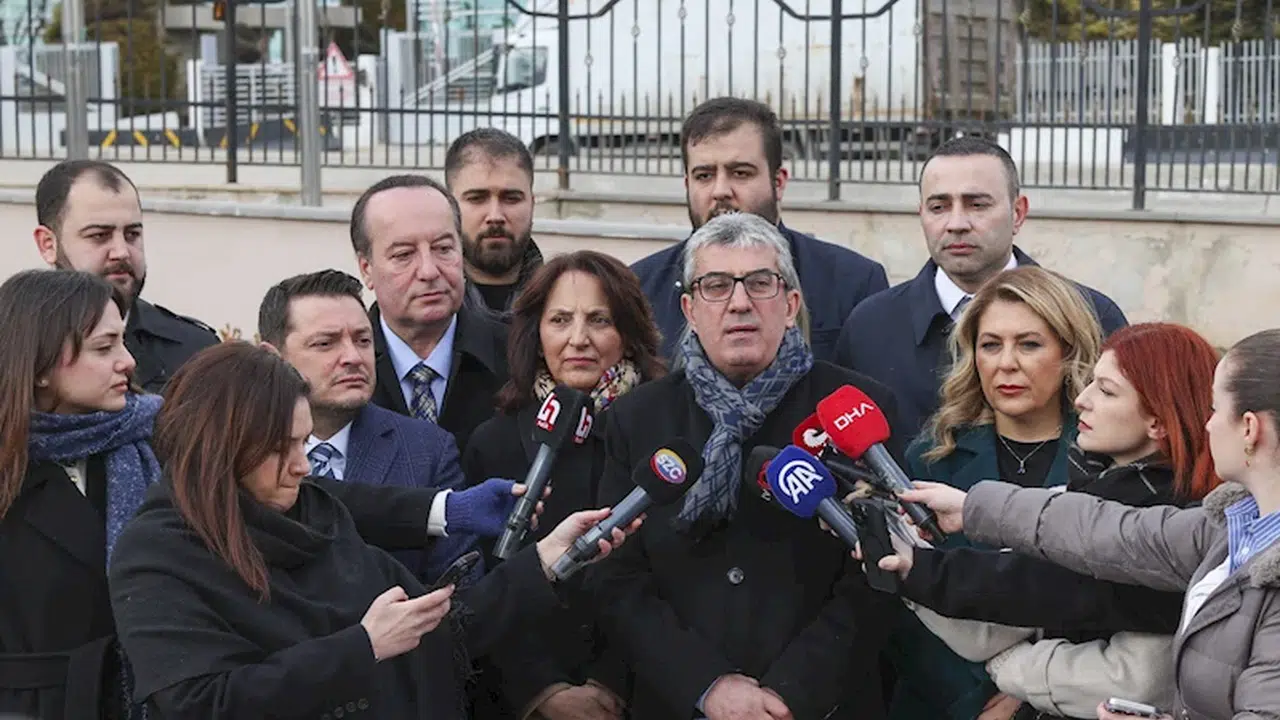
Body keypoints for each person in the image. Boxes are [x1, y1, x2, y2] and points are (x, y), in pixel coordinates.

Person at [107, 341, 640, 719]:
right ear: (220, 449)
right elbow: (200, 703)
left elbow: (438, 627)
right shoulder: (157, 554)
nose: (302, 465)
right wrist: (361, 647)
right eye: (279, 448)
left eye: (302, 442)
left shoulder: (314, 512)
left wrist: (547, 560)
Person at [588, 212, 902, 720]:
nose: (739, 303)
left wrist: (791, 693)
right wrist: (705, 685)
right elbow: (615, 578)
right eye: (715, 286)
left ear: (791, 304)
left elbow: (883, 573)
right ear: (689, 310)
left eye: (760, 283)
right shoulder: (636, 418)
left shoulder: (854, 408)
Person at [894, 327, 1280, 720]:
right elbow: (1108, 532)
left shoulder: (1234, 539)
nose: (1206, 423)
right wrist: (972, 508)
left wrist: (1011, 669)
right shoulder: (1227, 527)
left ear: (1250, 428)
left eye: (1215, 409)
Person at [883, 265, 1105, 720]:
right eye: (990, 345)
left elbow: (1108, 609)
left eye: (1029, 344)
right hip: (941, 704)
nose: (1006, 363)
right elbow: (901, 601)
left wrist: (1025, 695)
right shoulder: (932, 457)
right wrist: (973, 704)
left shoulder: (1105, 465)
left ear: (1068, 352)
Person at [463, 250, 666, 720]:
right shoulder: (493, 442)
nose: (579, 339)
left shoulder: (663, 432)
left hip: (644, 691)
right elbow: (482, 587)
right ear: (536, 335)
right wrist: (540, 691)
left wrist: (614, 682)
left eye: (599, 320)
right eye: (560, 320)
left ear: (628, 334)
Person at [834, 137, 1128, 441]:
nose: (956, 223)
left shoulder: (1093, 318)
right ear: (921, 214)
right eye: (939, 207)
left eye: (977, 205)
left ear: (1018, 213)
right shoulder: (870, 327)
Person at [257, 269, 490, 583]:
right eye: (325, 343)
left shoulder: (427, 451)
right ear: (272, 357)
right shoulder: (240, 452)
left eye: (363, 340)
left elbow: (461, 588)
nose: (353, 357)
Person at [630, 97, 888, 364]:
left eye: (740, 173)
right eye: (704, 176)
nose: (720, 191)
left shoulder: (853, 283)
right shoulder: (640, 288)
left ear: (778, 183)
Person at [351, 173, 509, 453]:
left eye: (443, 249)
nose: (429, 271)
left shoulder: (516, 356)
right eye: (403, 255)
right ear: (366, 269)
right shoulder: (342, 367)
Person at [32, 160, 219, 393]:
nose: (121, 252)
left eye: (132, 234)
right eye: (99, 235)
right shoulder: (16, 347)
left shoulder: (195, 354)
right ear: (48, 244)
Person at [445, 128, 545, 319]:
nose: (495, 216)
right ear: (448, 206)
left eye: (511, 198)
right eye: (477, 198)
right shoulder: (418, 312)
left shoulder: (566, 307)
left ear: (532, 204)